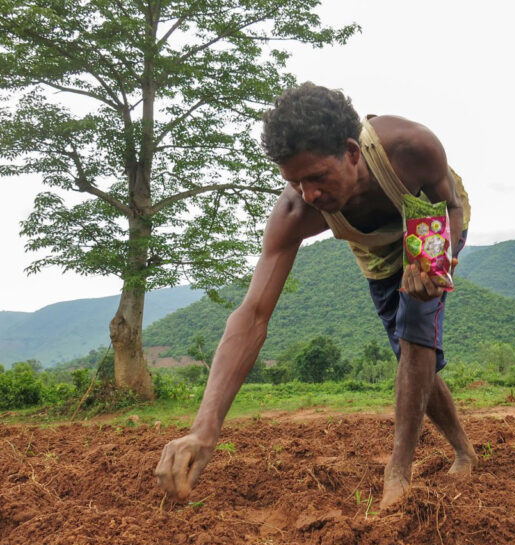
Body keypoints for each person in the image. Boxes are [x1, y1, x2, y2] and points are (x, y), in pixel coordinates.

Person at [155, 83, 477, 509]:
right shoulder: (295, 212)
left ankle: (398, 471)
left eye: (317, 177)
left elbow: (449, 205)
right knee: (411, 357)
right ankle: (464, 450)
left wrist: (437, 263)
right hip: (378, 257)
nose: (309, 194)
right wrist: (204, 427)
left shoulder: (411, 148)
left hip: (431, 234)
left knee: (416, 329)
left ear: (352, 151)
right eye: (295, 181)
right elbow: (253, 314)